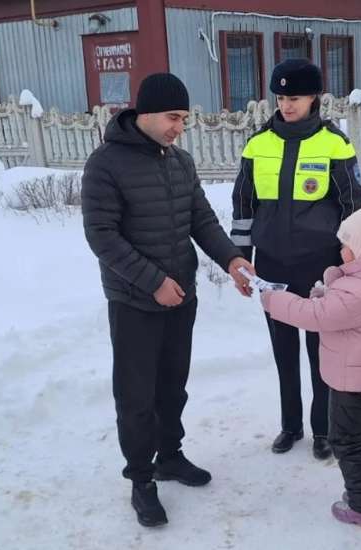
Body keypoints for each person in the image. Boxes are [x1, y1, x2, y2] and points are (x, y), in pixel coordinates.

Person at [82, 73, 255, 527]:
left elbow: (200, 218)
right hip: (135, 302)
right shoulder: (106, 164)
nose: (180, 126)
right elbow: (101, 235)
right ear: (145, 114)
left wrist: (233, 260)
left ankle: (170, 455)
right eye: (172, 117)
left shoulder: (179, 161)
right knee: (136, 395)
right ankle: (141, 479)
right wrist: (152, 281)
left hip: (182, 297)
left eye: (184, 118)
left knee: (172, 386)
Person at [231, 58, 361, 459]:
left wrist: (350, 260)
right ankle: (290, 426)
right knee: (283, 348)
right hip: (273, 264)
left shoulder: (335, 143)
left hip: (319, 264)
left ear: (314, 99)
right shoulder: (258, 144)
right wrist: (241, 257)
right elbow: (243, 203)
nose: (287, 105)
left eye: (296, 97)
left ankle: (322, 429)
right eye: (282, 97)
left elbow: (352, 204)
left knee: (320, 348)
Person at [260, 202, 361, 529]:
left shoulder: (359, 290)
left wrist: (274, 300)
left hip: (352, 381)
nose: (341, 250)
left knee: (346, 442)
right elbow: (345, 310)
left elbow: (315, 317)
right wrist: (327, 294)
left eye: (347, 245)